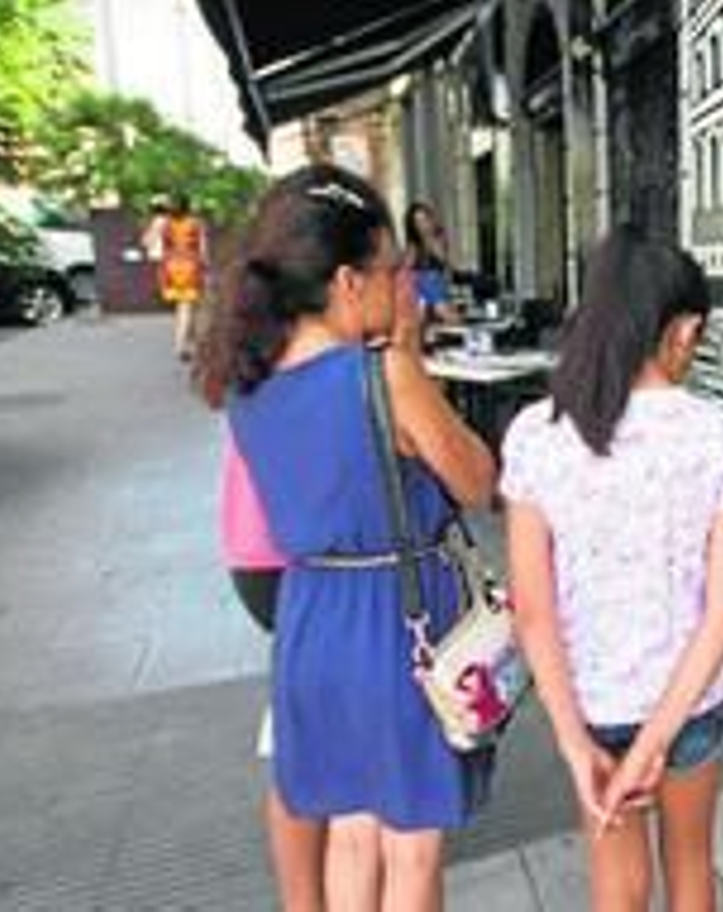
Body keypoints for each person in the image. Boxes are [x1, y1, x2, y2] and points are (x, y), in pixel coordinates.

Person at [197, 163, 498, 910]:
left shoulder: (246, 383)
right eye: (391, 269)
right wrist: (408, 357)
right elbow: (476, 478)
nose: (404, 285)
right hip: (395, 621)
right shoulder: (380, 376)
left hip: (311, 617)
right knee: (412, 847)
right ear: (345, 281)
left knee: (353, 829)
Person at [502, 227, 723, 912]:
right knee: (690, 873)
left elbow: (531, 610)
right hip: (688, 708)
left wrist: (572, 743)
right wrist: (657, 741)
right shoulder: (719, 439)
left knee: (616, 891)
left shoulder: (536, 434)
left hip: (589, 709)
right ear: (683, 332)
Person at [218, 439, 326, 912]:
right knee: (314, 740)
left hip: (257, 545)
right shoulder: (333, 364)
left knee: (306, 729)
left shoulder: (252, 366)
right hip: (305, 554)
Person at [153, 194, 209, 361]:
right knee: (188, 308)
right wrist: (206, 267)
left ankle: (186, 343)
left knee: (183, 308)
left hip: (170, 268)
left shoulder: (164, 223)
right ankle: (182, 346)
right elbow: (204, 250)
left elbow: (148, 243)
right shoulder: (197, 223)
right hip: (190, 267)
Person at [403, 202, 460, 326]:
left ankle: (443, 313)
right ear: (413, 225)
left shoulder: (439, 239)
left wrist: (429, 240)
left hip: (436, 286)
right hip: (420, 291)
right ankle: (443, 314)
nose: (422, 224)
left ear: (430, 219)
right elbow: (405, 272)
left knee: (429, 278)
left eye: (424, 219)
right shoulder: (412, 246)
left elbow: (446, 266)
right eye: (417, 221)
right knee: (421, 279)